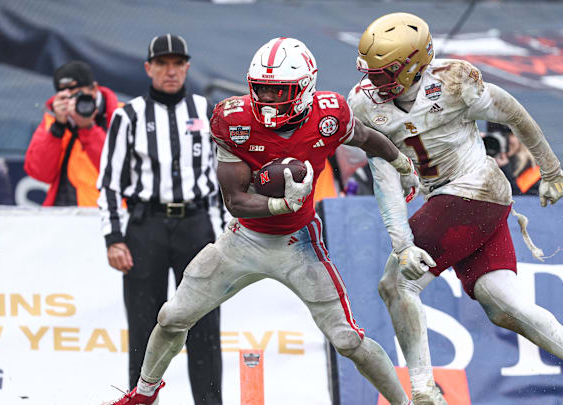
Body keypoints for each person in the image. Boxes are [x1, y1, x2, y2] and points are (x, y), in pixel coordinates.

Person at [105, 37, 420, 405]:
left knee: (348, 338)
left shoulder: (330, 114)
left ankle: (406, 403)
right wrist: (282, 204)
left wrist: (402, 165)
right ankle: (143, 394)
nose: (267, 99)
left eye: (278, 90)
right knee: (172, 316)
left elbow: (366, 138)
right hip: (244, 240)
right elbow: (235, 201)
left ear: (305, 88)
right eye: (262, 89)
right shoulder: (233, 118)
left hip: (298, 242)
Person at [348, 12, 563, 405]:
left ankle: (423, 392)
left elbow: (513, 112)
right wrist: (404, 234)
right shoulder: (363, 104)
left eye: (383, 73)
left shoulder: (454, 82)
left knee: (396, 284)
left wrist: (551, 170)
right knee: (503, 304)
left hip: (471, 191)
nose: (373, 82)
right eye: (371, 72)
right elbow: (384, 176)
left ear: (413, 66)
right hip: (471, 201)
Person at [97, 34, 222, 404]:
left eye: (178, 63)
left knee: (204, 326)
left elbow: (224, 178)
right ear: (148, 68)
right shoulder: (128, 115)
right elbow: (108, 183)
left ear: (187, 67)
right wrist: (113, 238)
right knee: (144, 326)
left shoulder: (207, 111)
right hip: (145, 227)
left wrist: (223, 234)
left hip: (196, 225)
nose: (171, 71)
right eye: (163, 64)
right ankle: (138, 400)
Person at [25, 61, 119, 206]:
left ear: (94, 89)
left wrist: (88, 128)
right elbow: (40, 173)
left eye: (77, 94)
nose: (73, 102)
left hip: (110, 214)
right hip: (63, 214)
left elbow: (121, 171)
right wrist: (58, 127)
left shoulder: (121, 115)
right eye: (66, 96)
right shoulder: (53, 119)